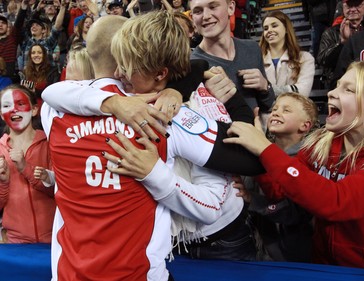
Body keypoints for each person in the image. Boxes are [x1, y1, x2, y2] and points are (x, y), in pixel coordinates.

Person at [41, 12, 265, 280]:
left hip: (72, 273)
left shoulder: (53, 112)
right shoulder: (163, 115)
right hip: (151, 263)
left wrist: (218, 98)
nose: (121, 73)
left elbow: (50, 93)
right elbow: (252, 160)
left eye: (127, 65)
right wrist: (115, 104)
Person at [223, 61, 364, 269]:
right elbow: (279, 191)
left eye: (348, 89)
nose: (331, 93)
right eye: (337, 85)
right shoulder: (320, 145)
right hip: (321, 265)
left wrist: (265, 148)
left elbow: (335, 201)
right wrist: (258, 156)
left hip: (363, 272)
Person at [234, 92, 319, 262]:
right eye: (274, 109)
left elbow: (285, 202)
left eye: (286, 110)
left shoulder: (309, 159)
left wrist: (259, 153)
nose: (276, 112)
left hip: (292, 255)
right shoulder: (257, 150)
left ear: (305, 125)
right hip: (259, 249)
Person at [189, 0, 275, 113]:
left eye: (213, 7)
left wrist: (265, 87)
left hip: (259, 129)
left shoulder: (252, 48)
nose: (206, 16)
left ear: (230, 8)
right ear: (192, 18)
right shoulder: (191, 65)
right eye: (198, 11)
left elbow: (267, 106)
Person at [0, 84, 55, 243]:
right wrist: (3, 183)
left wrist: (26, 168)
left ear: (34, 110)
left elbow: (59, 191)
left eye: (20, 103)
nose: (14, 109)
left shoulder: (50, 144)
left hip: (53, 239)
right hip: (15, 243)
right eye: (7, 105)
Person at [317, 0, 364, 89]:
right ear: (343, 7)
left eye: (357, 5)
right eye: (348, 6)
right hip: (340, 85)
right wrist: (342, 42)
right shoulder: (331, 32)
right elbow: (322, 60)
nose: (352, 9)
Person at [259, 11, 315, 97]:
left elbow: (302, 92)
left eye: (274, 26)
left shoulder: (305, 58)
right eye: (266, 28)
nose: (269, 30)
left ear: (286, 29)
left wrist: (267, 88)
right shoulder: (256, 59)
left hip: (292, 109)